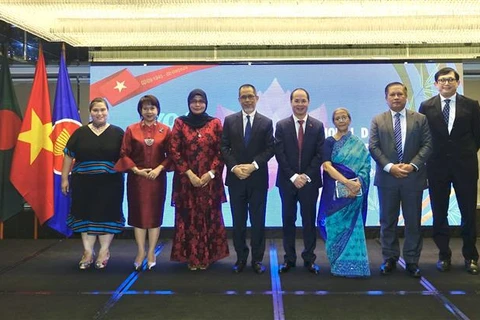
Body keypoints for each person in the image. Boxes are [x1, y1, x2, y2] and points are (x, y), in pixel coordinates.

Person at [419, 67, 480, 275]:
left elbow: (477, 135)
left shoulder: (471, 105)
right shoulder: (426, 106)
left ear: (458, 82)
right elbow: (423, 137)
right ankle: (443, 254)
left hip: (465, 167)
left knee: (468, 213)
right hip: (436, 167)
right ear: (436, 84)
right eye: (442, 80)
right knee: (439, 213)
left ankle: (471, 256)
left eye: (450, 80)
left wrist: (465, 153)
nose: (446, 83)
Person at [369, 82, 432, 278]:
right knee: (388, 221)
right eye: (392, 95)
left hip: (413, 177)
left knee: (413, 222)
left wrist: (412, 165)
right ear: (386, 98)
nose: (396, 97)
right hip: (387, 179)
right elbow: (373, 146)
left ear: (406, 97)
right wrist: (390, 167)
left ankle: (412, 261)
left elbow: (428, 145)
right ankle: (390, 258)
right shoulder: (378, 120)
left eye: (400, 94)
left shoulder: (420, 119)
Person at [61, 97, 125, 270]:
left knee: (107, 215)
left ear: (108, 112)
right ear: (90, 112)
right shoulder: (80, 133)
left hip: (110, 184)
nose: (99, 113)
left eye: (103, 110)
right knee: (85, 215)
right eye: (96, 110)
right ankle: (88, 252)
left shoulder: (118, 133)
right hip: (83, 184)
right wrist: (65, 178)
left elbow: (126, 157)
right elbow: (68, 155)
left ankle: (104, 251)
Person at [169, 89, 229, 270]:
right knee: (188, 218)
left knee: (209, 217)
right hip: (186, 181)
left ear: (206, 103)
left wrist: (210, 174)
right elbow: (175, 151)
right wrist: (189, 174)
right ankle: (190, 257)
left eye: (201, 101)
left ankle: (208, 257)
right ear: (188, 103)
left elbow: (222, 151)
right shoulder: (180, 123)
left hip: (210, 181)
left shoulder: (215, 123)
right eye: (194, 101)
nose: (197, 104)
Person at [221, 84, 275, 274]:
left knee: (258, 221)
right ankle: (241, 258)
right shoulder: (229, 120)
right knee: (238, 221)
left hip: (257, 179)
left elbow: (270, 149)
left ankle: (257, 260)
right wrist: (235, 167)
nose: (247, 100)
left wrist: (253, 166)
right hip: (236, 179)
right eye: (243, 97)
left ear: (257, 98)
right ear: (239, 100)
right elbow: (224, 147)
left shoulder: (266, 122)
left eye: (250, 96)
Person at [114, 95, 171, 271]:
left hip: (157, 179)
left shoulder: (166, 130)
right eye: (145, 108)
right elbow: (124, 153)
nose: (149, 111)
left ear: (157, 110)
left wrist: (158, 169)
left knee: (154, 216)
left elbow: (172, 156)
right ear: (140, 110)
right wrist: (136, 170)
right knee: (138, 216)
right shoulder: (131, 129)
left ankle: (152, 251)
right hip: (137, 178)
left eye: (152, 108)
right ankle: (140, 251)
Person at [275, 88, 324, 275]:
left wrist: (306, 176)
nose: (300, 104)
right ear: (291, 102)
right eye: (296, 100)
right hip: (287, 182)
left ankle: (309, 259)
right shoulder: (281, 125)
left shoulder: (317, 126)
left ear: (308, 102)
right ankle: (289, 259)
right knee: (288, 221)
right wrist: (294, 176)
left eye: (303, 100)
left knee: (308, 221)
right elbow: (280, 154)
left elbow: (320, 154)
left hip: (309, 183)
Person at [318, 108, 371, 278]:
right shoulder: (328, 142)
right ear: (333, 122)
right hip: (334, 194)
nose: (341, 120)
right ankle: (337, 264)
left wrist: (357, 185)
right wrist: (347, 182)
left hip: (354, 194)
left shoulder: (358, 144)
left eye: (344, 117)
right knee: (334, 226)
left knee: (353, 228)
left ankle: (356, 266)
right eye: (337, 118)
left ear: (349, 120)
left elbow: (365, 167)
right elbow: (327, 166)